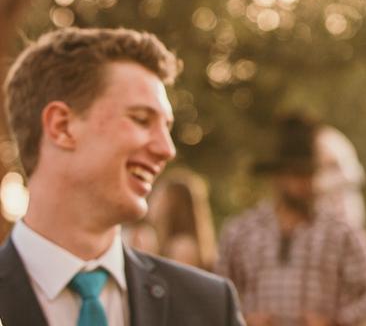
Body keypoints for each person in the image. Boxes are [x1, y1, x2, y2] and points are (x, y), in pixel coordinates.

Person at [0, 27, 244, 325]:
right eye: (141, 120)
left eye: (166, 127)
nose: (166, 150)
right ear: (62, 127)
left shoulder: (209, 306)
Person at [217, 114, 366, 326]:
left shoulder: (343, 233)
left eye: (312, 173)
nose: (309, 184)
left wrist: (334, 322)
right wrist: (243, 318)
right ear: (279, 175)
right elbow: (220, 291)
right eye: (299, 175)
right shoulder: (240, 231)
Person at [142, 168, 219, 271]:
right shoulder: (163, 240)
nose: (151, 201)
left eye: (159, 196)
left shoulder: (182, 248)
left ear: (173, 204)